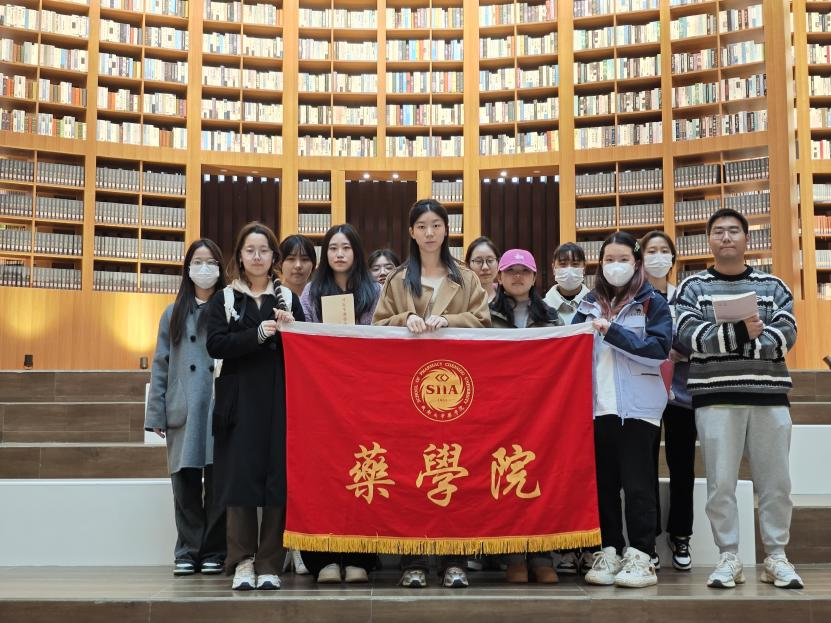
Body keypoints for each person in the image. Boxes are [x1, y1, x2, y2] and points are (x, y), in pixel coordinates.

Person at [676, 208, 803, 590]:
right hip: (715, 398)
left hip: (769, 397)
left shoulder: (773, 287)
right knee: (720, 484)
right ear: (709, 240)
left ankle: (776, 556)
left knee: (776, 483)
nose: (727, 237)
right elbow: (689, 336)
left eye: (734, 231)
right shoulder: (692, 287)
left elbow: (784, 336)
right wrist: (744, 333)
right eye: (719, 231)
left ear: (747, 239)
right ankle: (728, 556)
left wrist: (724, 339)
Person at [373, 198, 490, 588]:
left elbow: (483, 323)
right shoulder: (397, 279)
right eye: (421, 226)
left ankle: (455, 559)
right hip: (408, 392)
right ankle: (415, 560)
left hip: (456, 391)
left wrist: (450, 321)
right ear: (411, 232)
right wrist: (404, 318)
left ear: (446, 230)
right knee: (413, 473)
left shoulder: (466, 278)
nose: (429, 233)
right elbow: (378, 326)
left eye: (436, 225)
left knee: (454, 469)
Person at [206, 222, 305, 591]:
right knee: (240, 481)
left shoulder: (289, 298)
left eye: (264, 250)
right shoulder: (226, 298)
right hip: (239, 402)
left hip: (280, 401)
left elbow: (306, 352)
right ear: (240, 255)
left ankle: (269, 563)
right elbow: (215, 344)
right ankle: (242, 561)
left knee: (278, 481)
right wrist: (256, 335)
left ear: (273, 256)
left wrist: (292, 330)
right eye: (250, 250)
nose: (257, 257)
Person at [572, 231, 672, 589]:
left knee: (638, 486)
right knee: (604, 486)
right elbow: (568, 351)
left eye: (623, 259)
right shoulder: (587, 304)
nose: (616, 266)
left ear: (637, 262)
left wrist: (612, 332)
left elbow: (658, 349)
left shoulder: (652, 303)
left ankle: (642, 554)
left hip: (639, 410)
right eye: (609, 260)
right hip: (598, 409)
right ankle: (609, 549)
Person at [298, 223, 381, 584]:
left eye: (346, 247)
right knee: (326, 476)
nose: (340, 254)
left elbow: (382, 335)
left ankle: (360, 557)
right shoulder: (311, 291)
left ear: (357, 252)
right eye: (333, 248)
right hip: (323, 397)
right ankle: (324, 559)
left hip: (364, 395)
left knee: (365, 471)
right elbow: (304, 337)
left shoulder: (375, 291)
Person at [145, 239, 227, 577]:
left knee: (219, 482)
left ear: (220, 268)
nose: (204, 268)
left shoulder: (229, 305)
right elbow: (161, 364)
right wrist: (156, 413)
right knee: (185, 481)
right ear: (187, 268)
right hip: (184, 404)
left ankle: (215, 550)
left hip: (218, 404)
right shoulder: (173, 312)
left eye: (211, 262)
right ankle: (188, 549)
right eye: (198, 262)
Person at [488, 248, 561, 584]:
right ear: (499, 277)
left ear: (534, 277)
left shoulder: (551, 317)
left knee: (538, 481)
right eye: (510, 271)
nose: (517, 277)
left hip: (541, 412)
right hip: (500, 412)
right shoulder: (486, 317)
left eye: (524, 271)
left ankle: (542, 555)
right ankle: (514, 556)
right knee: (506, 481)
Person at [640, 230, 695, 571]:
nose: (658, 256)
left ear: (673, 259)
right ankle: (649, 537)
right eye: (651, 251)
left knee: (682, 465)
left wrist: (679, 349)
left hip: (681, 395)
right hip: (644, 392)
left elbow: (697, 335)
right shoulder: (634, 297)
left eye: (664, 251)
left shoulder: (685, 295)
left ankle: (681, 533)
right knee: (645, 466)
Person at [544, 242, 590, 326]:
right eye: (563, 264)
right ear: (554, 268)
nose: (569, 270)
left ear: (584, 268)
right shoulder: (542, 307)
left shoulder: (596, 305)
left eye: (575, 264)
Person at [464, 236, 500, 303]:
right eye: (478, 261)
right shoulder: (460, 299)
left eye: (490, 260)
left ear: (498, 262)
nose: (485, 267)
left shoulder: (508, 298)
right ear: (468, 265)